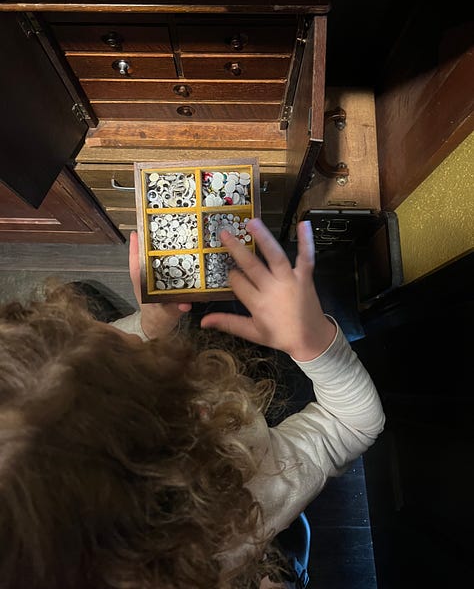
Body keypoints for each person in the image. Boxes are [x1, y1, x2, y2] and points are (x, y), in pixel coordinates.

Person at [0, 219, 385, 589]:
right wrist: (313, 344)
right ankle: (278, 575)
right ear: (185, 418)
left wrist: (148, 327)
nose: (122, 333)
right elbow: (352, 425)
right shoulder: (250, 493)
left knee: (80, 290)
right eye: (124, 349)